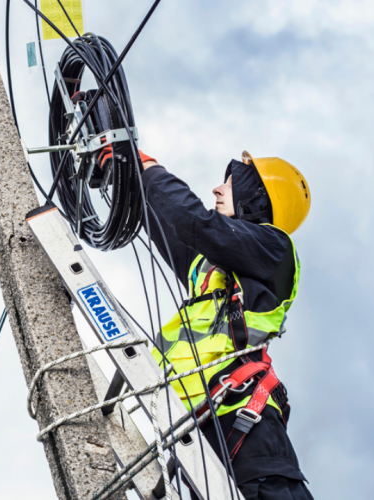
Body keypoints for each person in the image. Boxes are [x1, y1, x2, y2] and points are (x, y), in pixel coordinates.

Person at [126, 149, 313, 499]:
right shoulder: (211, 271)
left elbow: (195, 223)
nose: (216, 190)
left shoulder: (274, 249)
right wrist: (125, 172)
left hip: (247, 426)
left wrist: (151, 169)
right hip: (197, 429)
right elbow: (171, 225)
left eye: (230, 184)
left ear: (257, 198)